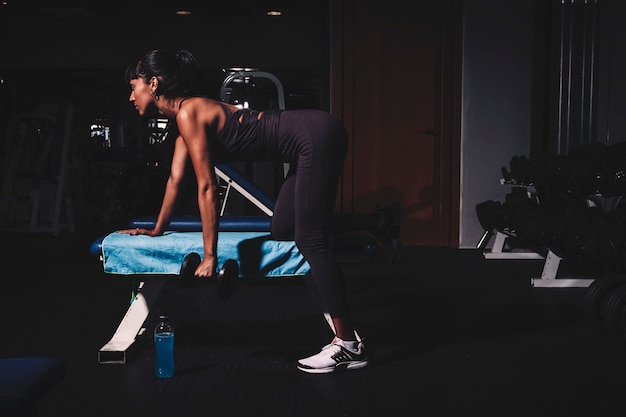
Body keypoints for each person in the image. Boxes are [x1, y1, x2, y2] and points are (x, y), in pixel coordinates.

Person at [118, 49, 394, 373]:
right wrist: (156, 229)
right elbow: (175, 181)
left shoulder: (189, 112)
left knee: (310, 240)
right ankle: (376, 222)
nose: (130, 96)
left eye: (133, 86)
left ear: (152, 83)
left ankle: (348, 344)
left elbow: (207, 187)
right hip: (312, 135)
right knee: (284, 228)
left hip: (312, 136)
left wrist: (210, 257)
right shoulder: (185, 120)